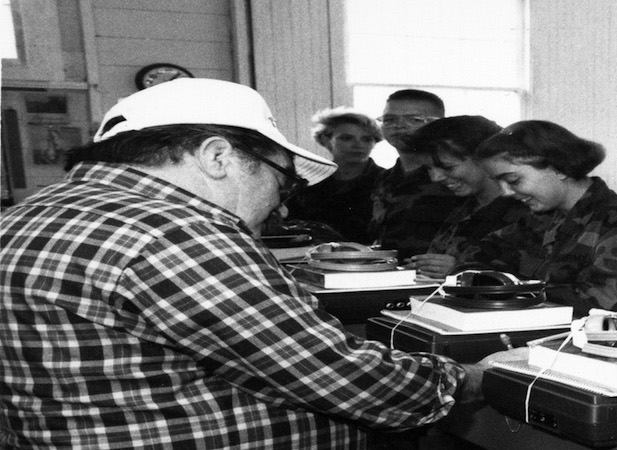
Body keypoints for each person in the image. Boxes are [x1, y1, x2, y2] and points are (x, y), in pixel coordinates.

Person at [0, 78, 519, 448]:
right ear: (217, 157)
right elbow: (340, 377)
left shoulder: (31, 213)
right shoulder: (174, 234)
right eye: (283, 180)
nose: (281, 205)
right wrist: (471, 377)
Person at [460, 120, 617, 316]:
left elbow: (610, 306)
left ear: (559, 168)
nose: (505, 192)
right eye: (498, 182)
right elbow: (478, 257)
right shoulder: (540, 219)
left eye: (513, 180)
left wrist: (518, 289)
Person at [401, 115, 532, 279]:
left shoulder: (526, 212)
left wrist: (462, 271)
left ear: (485, 159)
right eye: (429, 168)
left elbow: (537, 280)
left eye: (447, 167)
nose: (435, 177)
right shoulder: (462, 210)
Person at [369, 89, 463, 259]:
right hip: (390, 270)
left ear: (439, 124)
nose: (399, 126)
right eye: (390, 120)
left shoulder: (453, 176)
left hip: (437, 271)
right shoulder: (385, 178)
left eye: (414, 120)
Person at [285, 107, 386, 244]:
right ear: (326, 140)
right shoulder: (308, 182)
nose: (358, 145)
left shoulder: (387, 180)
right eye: (347, 138)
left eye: (367, 139)